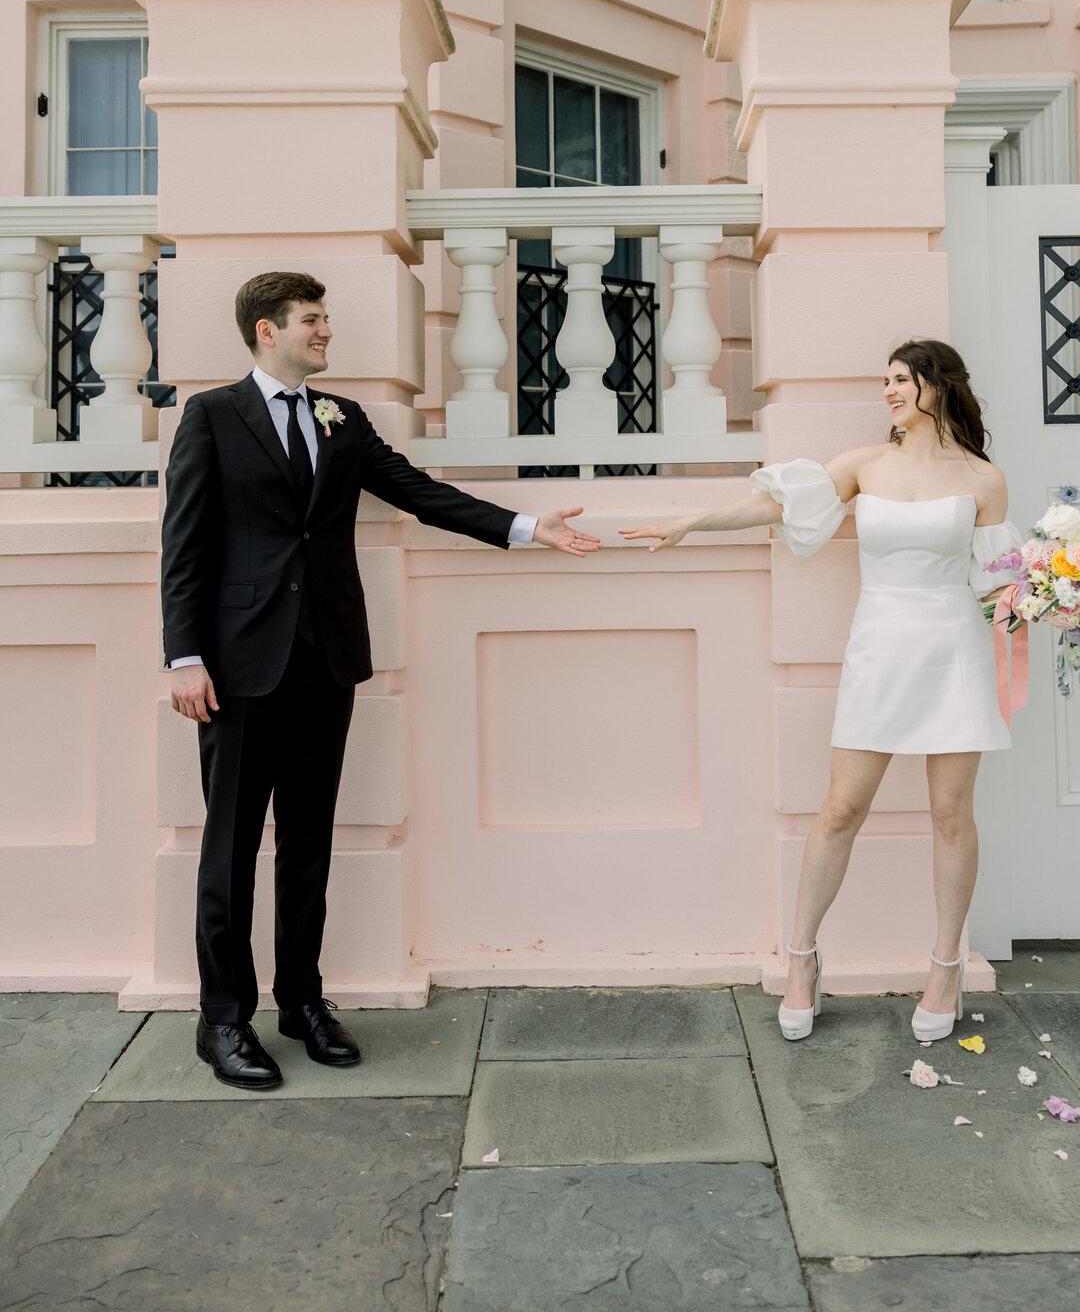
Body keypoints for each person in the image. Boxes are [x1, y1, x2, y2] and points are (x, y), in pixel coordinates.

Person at [163, 271, 600, 1090]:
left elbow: (416, 493)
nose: (327, 331)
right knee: (227, 850)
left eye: (327, 318)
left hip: (327, 661)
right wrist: (183, 655)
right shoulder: (213, 417)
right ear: (267, 330)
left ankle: (301, 1002)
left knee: (310, 843)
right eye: (313, 320)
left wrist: (525, 528)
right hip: (237, 668)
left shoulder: (343, 418)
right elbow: (184, 544)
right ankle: (223, 1019)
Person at [620, 338, 1021, 1045]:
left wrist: (1054, 594)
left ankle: (945, 968)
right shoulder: (865, 465)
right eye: (886, 381)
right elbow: (771, 505)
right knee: (839, 808)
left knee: (952, 814)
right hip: (880, 644)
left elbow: (998, 586)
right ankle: (802, 959)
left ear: (938, 385)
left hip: (954, 650)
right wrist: (690, 524)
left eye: (902, 380)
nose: (890, 391)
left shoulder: (985, 480)